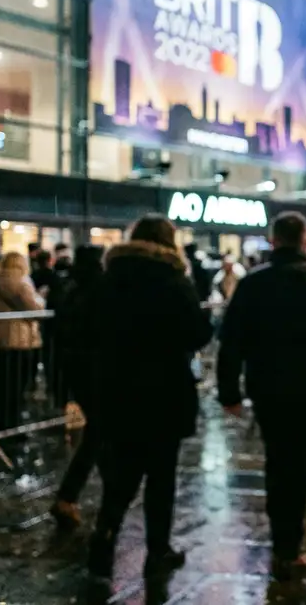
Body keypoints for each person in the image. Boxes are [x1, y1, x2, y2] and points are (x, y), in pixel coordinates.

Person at [218, 213, 306, 580]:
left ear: (273, 240)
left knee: (275, 458)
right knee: (299, 464)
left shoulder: (253, 283)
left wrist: (229, 391)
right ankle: (289, 546)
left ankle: (281, 534)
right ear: (305, 239)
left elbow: (231, 340)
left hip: (267, 386)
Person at [89, 215, 213, 580]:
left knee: (121, 476)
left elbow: (88, 330)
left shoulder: (109, 279)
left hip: (116, 390)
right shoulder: (173, 281)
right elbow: (197, 333)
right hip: (164, 393)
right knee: (161, 475)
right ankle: (157, 549)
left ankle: (103, 542)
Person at [49, 245, 105, 530]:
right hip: (97, 367)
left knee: (99, 429)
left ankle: (72, 495)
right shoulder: (101, 289)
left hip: (74, 367)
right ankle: (68, 495)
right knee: (99, 431)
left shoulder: (71, 288)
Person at [0, 252, 45, 432]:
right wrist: (41, 297)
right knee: (16, 384)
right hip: (20, 339)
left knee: (1, 383)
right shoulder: (22, 282)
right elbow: (35, 309)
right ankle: (11, 423)